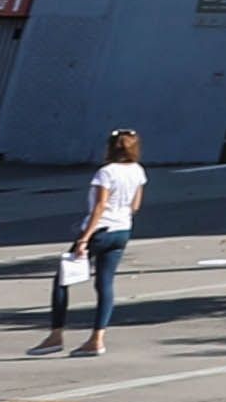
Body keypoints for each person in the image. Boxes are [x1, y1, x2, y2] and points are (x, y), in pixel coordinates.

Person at [34, 130, 146, 358]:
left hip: (100, 230)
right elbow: (135, 206)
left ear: (111, 148)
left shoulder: (106, 172)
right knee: (105, 284)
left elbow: (100, 205)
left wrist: (84, 238)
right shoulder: (137, 170)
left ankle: (55, 335)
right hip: (122, 230)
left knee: (62, 280)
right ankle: (97, 338)